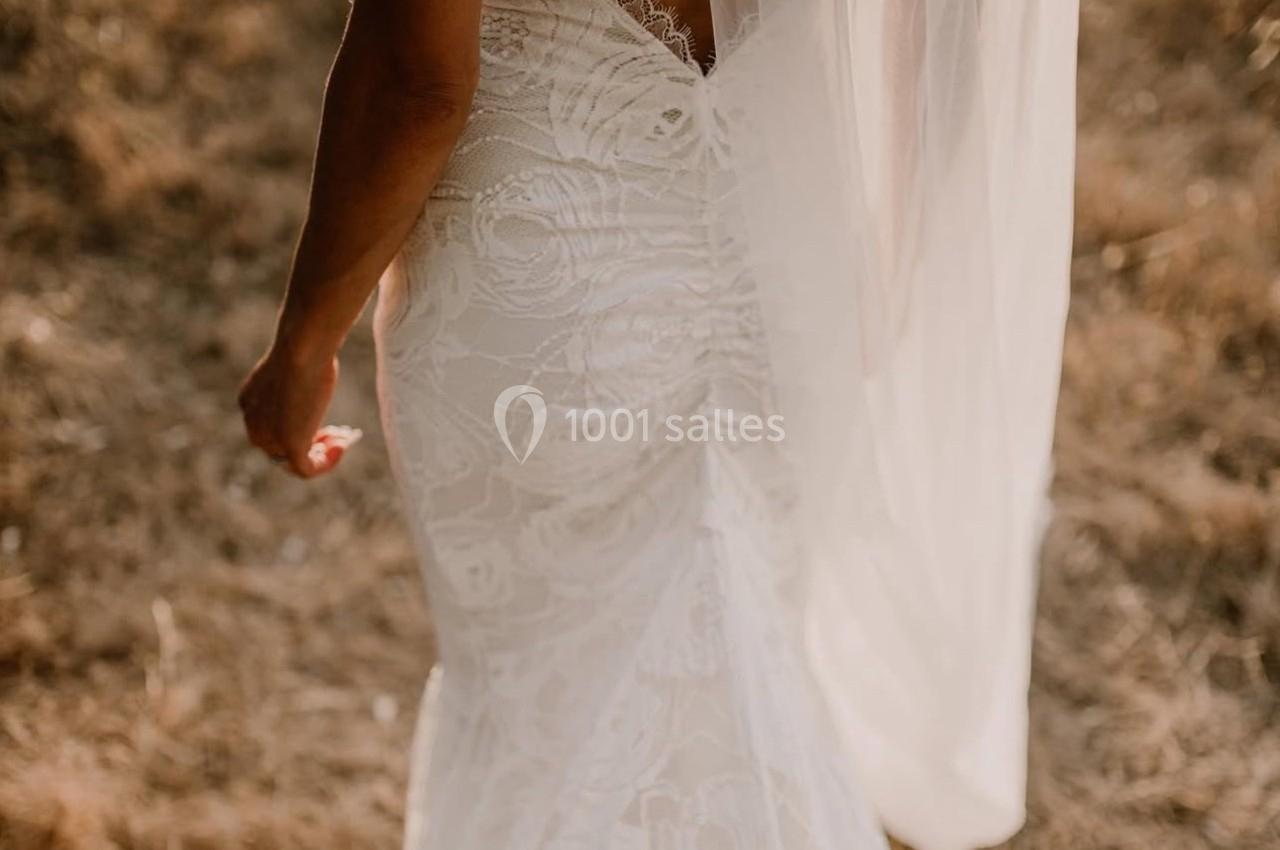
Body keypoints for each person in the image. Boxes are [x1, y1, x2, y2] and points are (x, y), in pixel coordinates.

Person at [239, 2, 1080, 848]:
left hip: (545, 273)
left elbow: (415, 83)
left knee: (547, 708)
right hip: (789, 257)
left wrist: (305, 341)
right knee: (744, 665)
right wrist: (878, 268)